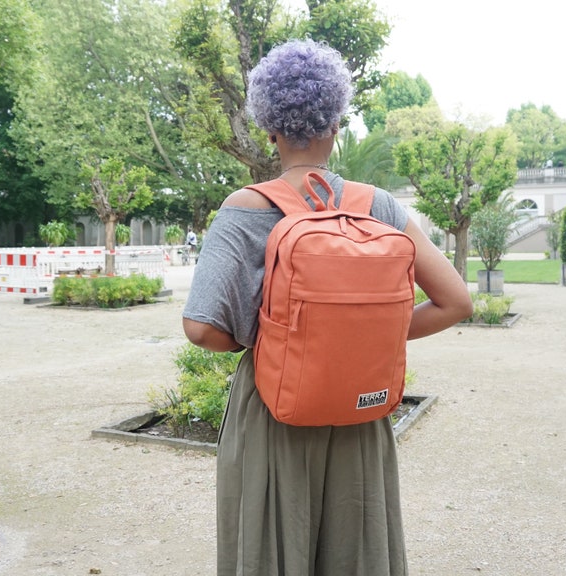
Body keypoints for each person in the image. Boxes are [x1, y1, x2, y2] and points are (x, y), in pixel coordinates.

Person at [181, 39, 472, 576]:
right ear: (335, 125)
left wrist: (281, 338)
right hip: (361, 405)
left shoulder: (245, 208)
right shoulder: (379, 206)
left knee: (272, 542)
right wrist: (362, 337)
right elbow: (456, 301)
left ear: (270, 130)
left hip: (275, 408)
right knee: (356, 546)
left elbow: (201, 328)